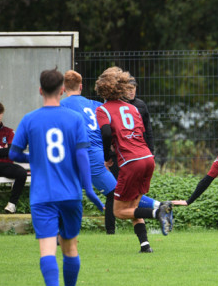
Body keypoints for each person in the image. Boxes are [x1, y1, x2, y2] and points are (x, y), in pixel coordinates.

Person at [9, 68, 104, 286]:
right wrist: (89, 189)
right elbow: (82, 155)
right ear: (62, 90)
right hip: (70, 194)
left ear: (40, 90)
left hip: (43, 196)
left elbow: (13, 154)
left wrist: (33, 156)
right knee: (70, 247)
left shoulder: (30, 119)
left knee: (47, 248)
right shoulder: (74, 119)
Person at [60, 69, 161, 235]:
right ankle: (63, 232)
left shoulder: (61, 106)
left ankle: (158, 207)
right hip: (99, 152)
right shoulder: (94, 104)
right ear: (81, 86)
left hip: (85, 155)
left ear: (63, 88)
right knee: (73, 191)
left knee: (116, 194)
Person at [95, 66, 173, 252]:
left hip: (131, 162)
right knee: (134, 206)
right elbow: (140, 133)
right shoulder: (132, 108)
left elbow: (106, 132)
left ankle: (158, 212)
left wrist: (107, 157)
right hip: (147, 158)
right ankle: (145, 245)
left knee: (119, 211)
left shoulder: (103, 110)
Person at [125, 76, 154, 155]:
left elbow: (148, 129)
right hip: (125, 147)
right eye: (128, 88)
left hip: (140, 146)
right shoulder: (118, 105)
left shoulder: (141, 105)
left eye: (133, 87)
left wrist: (151, 151)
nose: (131, 91)